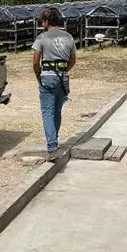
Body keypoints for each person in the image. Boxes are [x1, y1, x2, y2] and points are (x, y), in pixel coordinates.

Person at [32, 8, 76, 160]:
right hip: (63, 77)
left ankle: (52, 146)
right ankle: (54, 138)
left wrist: (39, 75)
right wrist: (64, 70)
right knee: (57, 111)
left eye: (42, 21)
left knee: (47, 112)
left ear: (46, 22)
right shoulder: (68, 37)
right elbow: (73, 60)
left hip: (47, 76)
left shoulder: (42, 38)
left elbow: (35, 61)